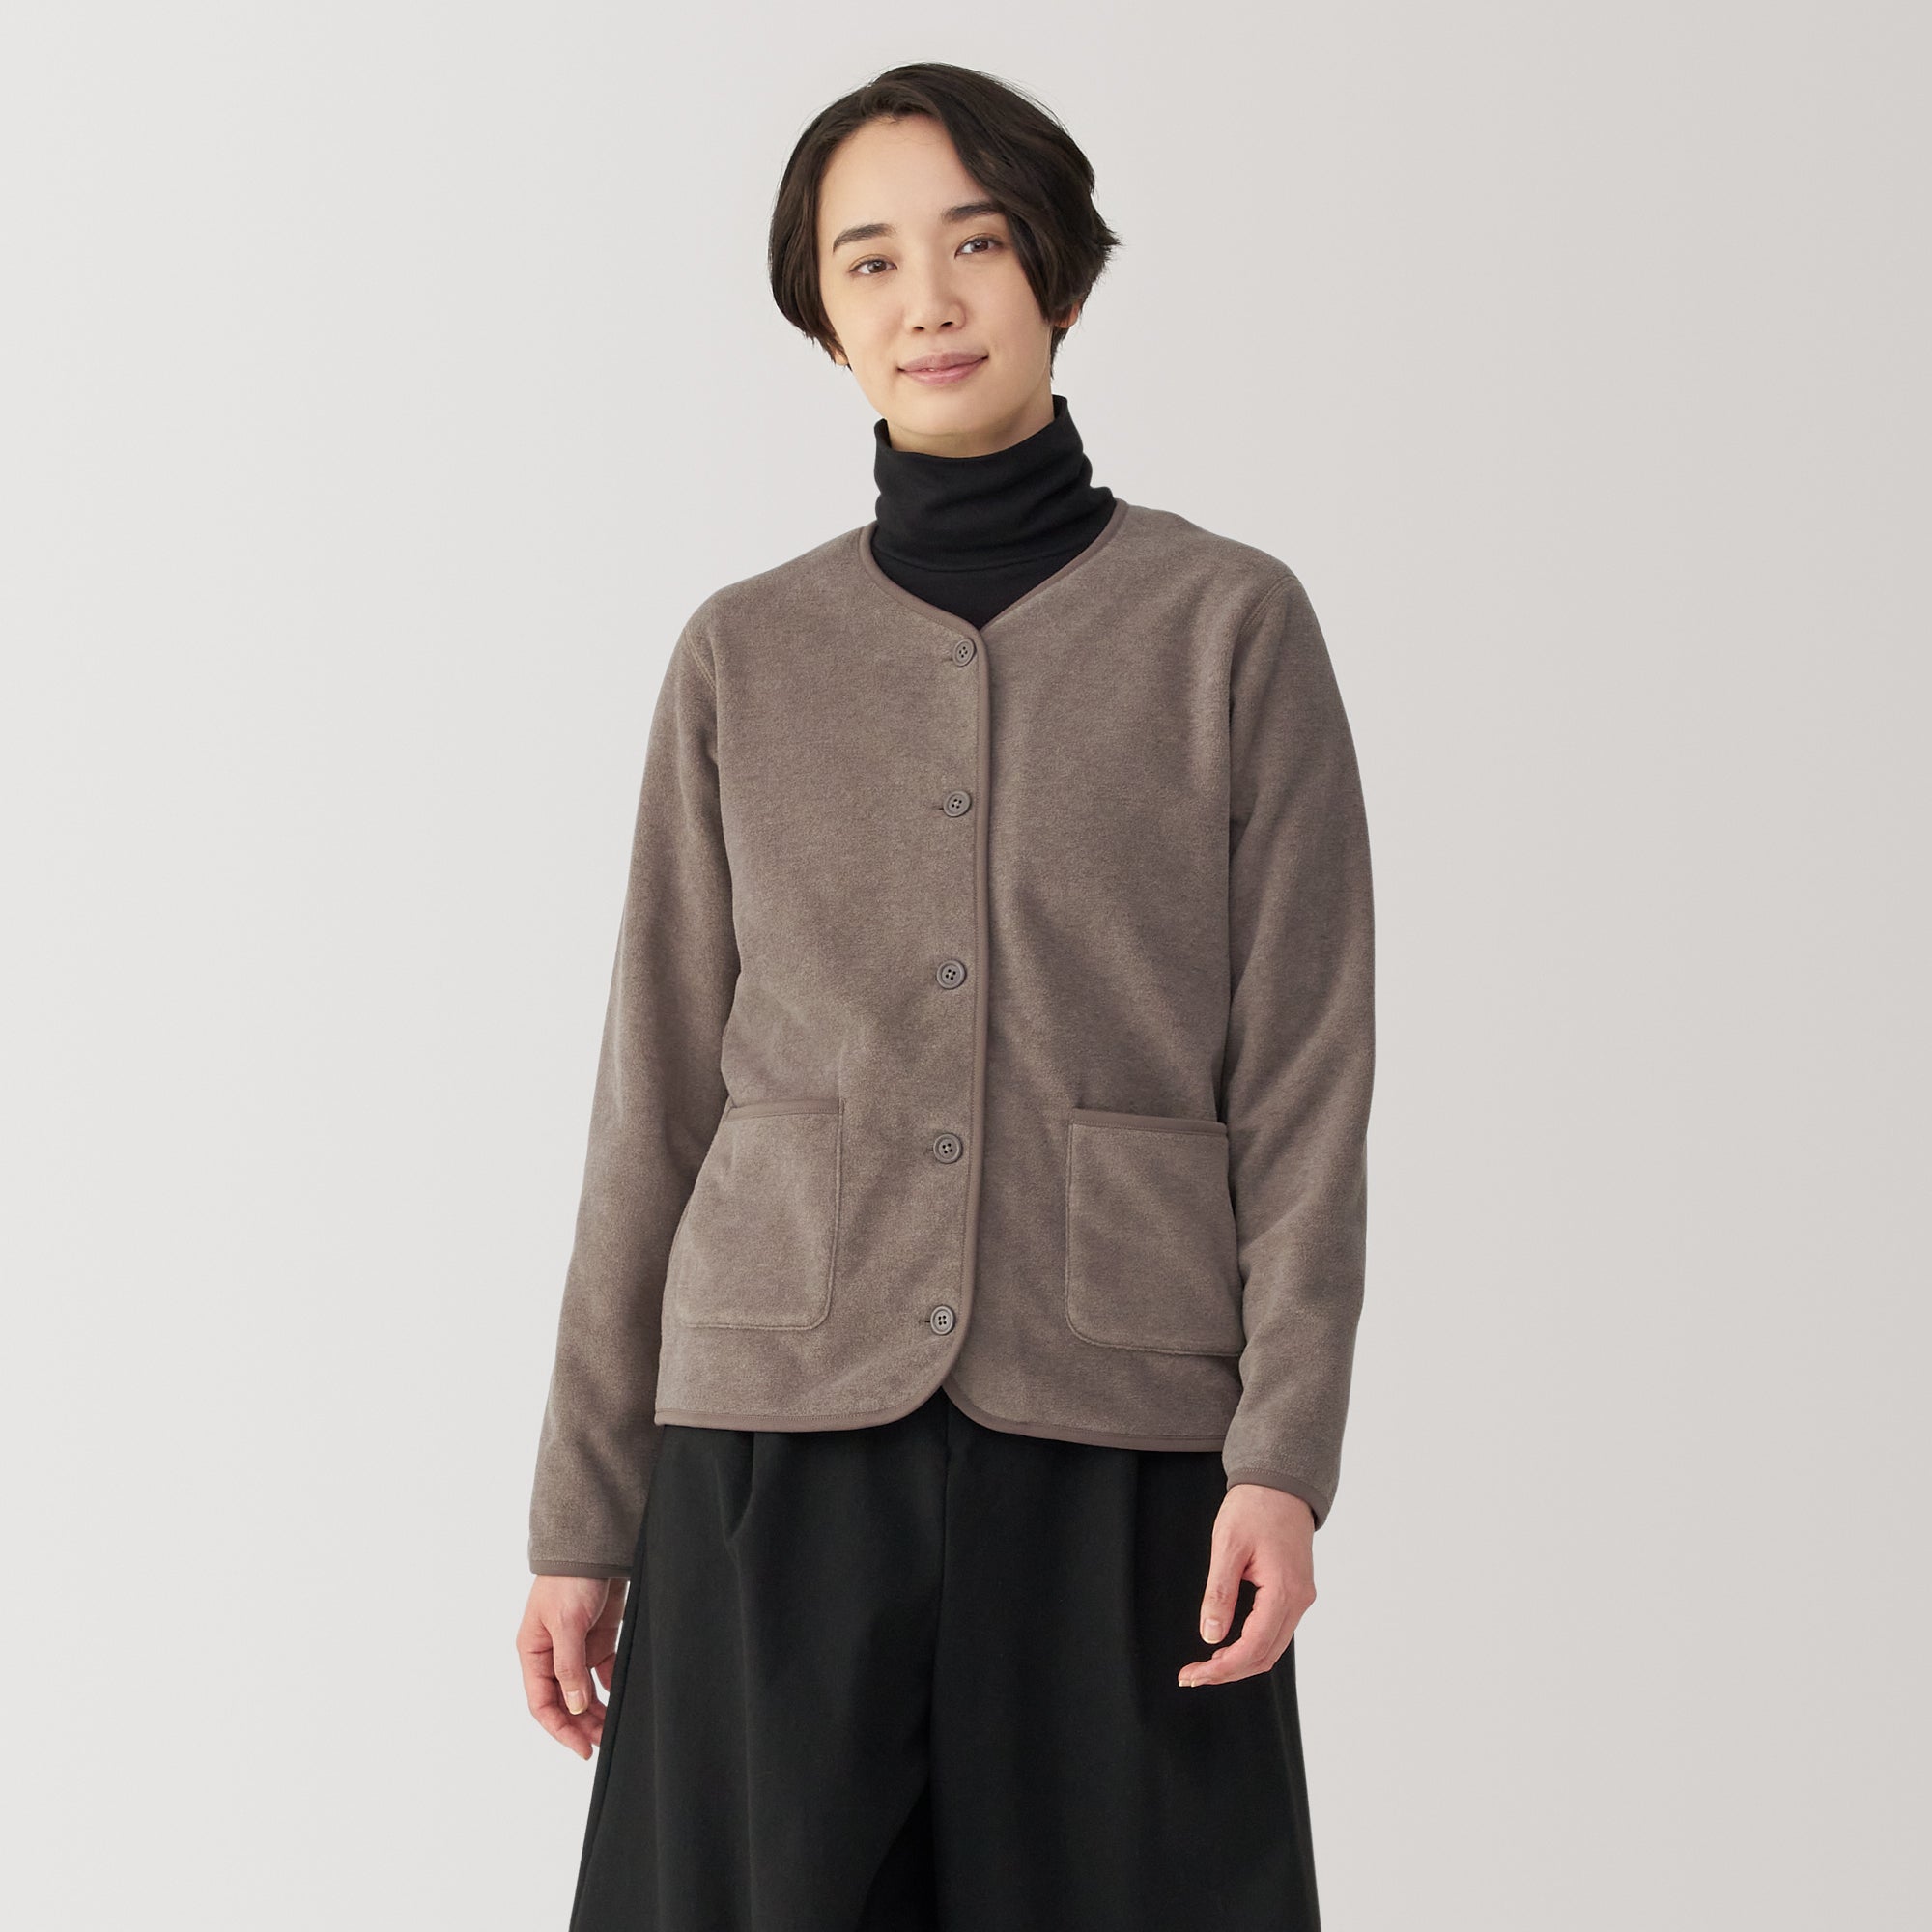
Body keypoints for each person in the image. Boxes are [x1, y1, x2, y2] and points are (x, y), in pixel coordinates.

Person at [514, 60, 1376, 1932]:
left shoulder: (1231, 627)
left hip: (1119, 1438)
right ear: (823, 318)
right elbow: (653, 1095)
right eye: (870, 261)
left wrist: (1284, 1455)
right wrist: (581, 1513)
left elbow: (1305, 1076)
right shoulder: (742, 655)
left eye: (975, 245)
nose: (927, 300)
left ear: (1056, 271)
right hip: (771, 1452)